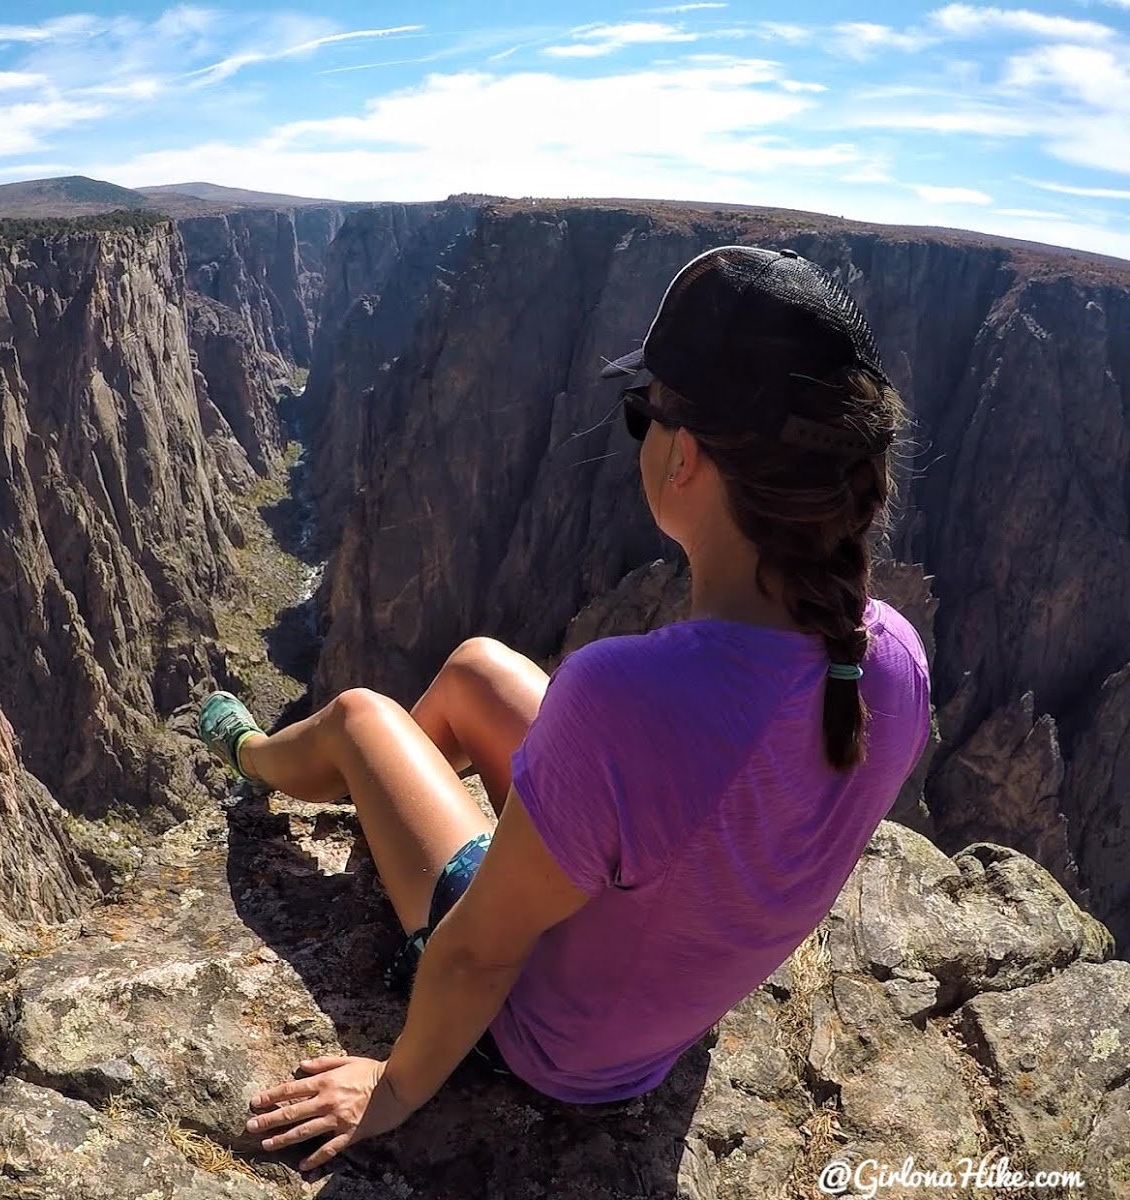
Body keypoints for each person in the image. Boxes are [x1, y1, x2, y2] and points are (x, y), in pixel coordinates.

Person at [198, 245, 932, 1173]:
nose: (639, 435)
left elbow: (475, 958)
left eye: (643, 413)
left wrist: (391, 1093)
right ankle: (386, 807)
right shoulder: (891, 659)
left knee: (353, 717)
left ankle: (257, 756)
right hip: (666, 988)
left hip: (559, 1041)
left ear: (688, 458)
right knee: (474, 669)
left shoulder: (626, 697)